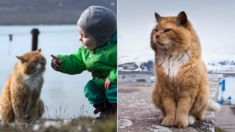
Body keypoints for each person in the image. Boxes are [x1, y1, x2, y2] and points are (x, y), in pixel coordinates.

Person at [51, 6, 117, 119]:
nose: (79, 39)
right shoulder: (85, 50)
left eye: (84, 36)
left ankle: (118, 111)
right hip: (100, 82)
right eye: (80, 34)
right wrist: (62, 63)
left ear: (101, 38)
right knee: (90, 87)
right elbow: (76, 61)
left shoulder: (115, 50)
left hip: (115, 83)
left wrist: (112, 77)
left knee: (113, 90)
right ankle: (105, 111)